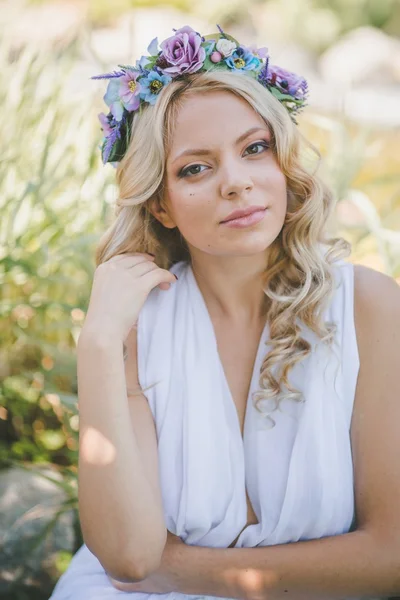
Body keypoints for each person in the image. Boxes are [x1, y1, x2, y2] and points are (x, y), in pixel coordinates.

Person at [49, 25, 400, 600]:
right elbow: (131, 560)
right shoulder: (137, 324)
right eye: (196, 168)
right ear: (160, 203)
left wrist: (184, 571)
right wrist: (98, 345)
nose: (236, 183)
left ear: (284, 162)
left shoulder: (370, 308)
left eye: (254, 149)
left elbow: (390, 557)